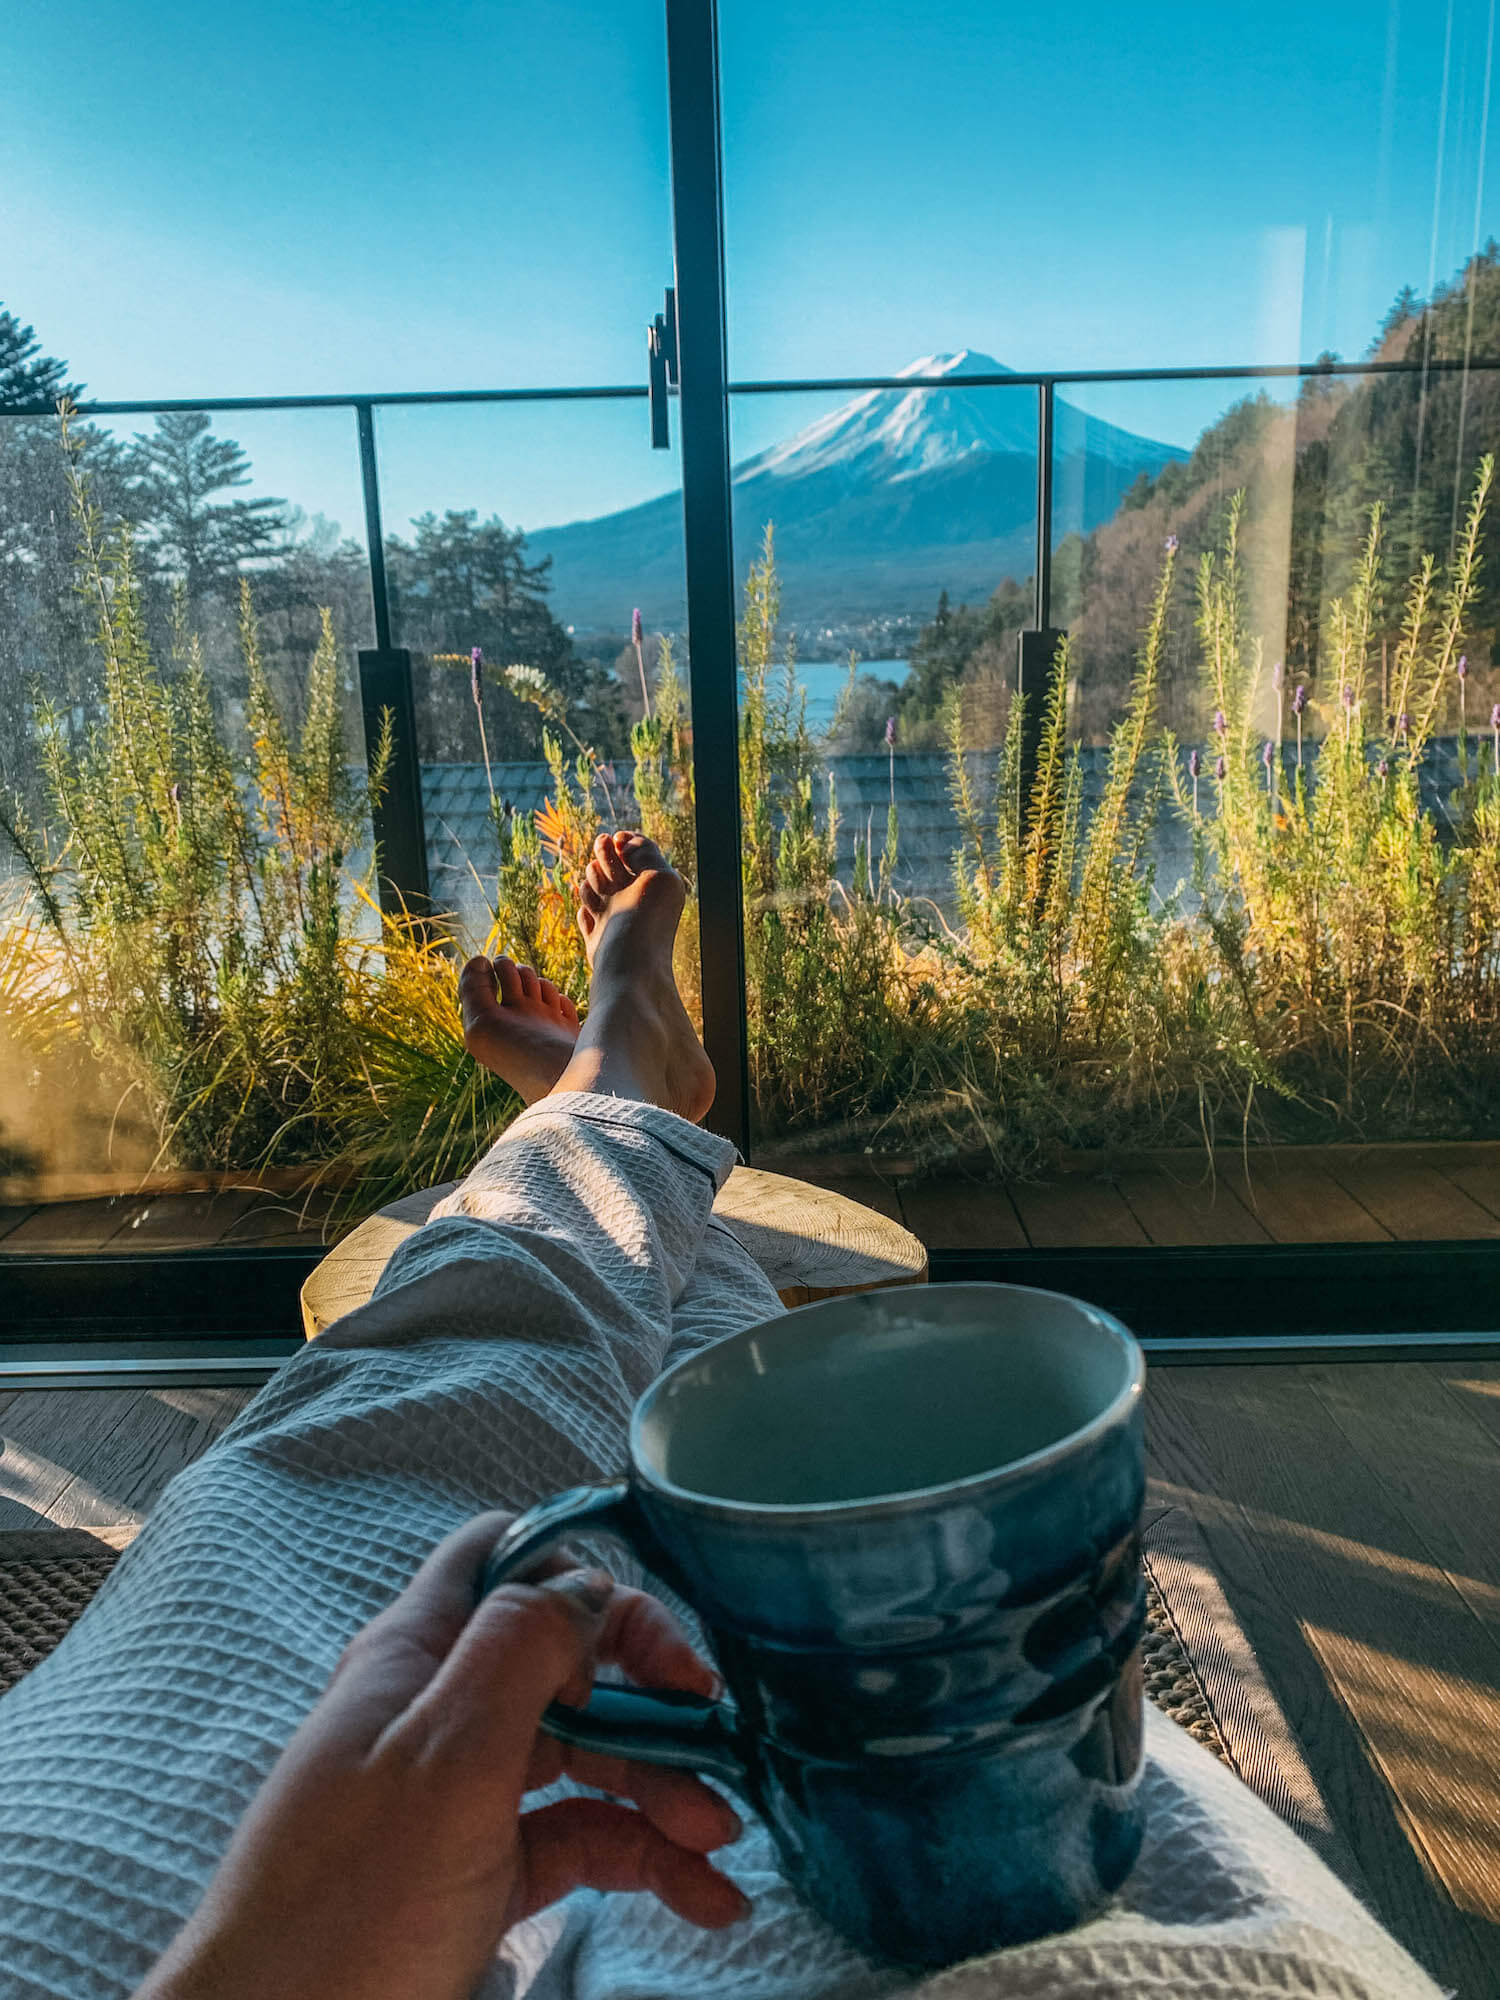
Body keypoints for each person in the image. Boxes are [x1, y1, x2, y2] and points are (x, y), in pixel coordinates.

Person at [0, 833, 1438, 2000]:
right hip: (1111, 1895)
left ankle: (613, 1103)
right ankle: (622, 1100)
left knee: (493, 1409)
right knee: (669, 1400)